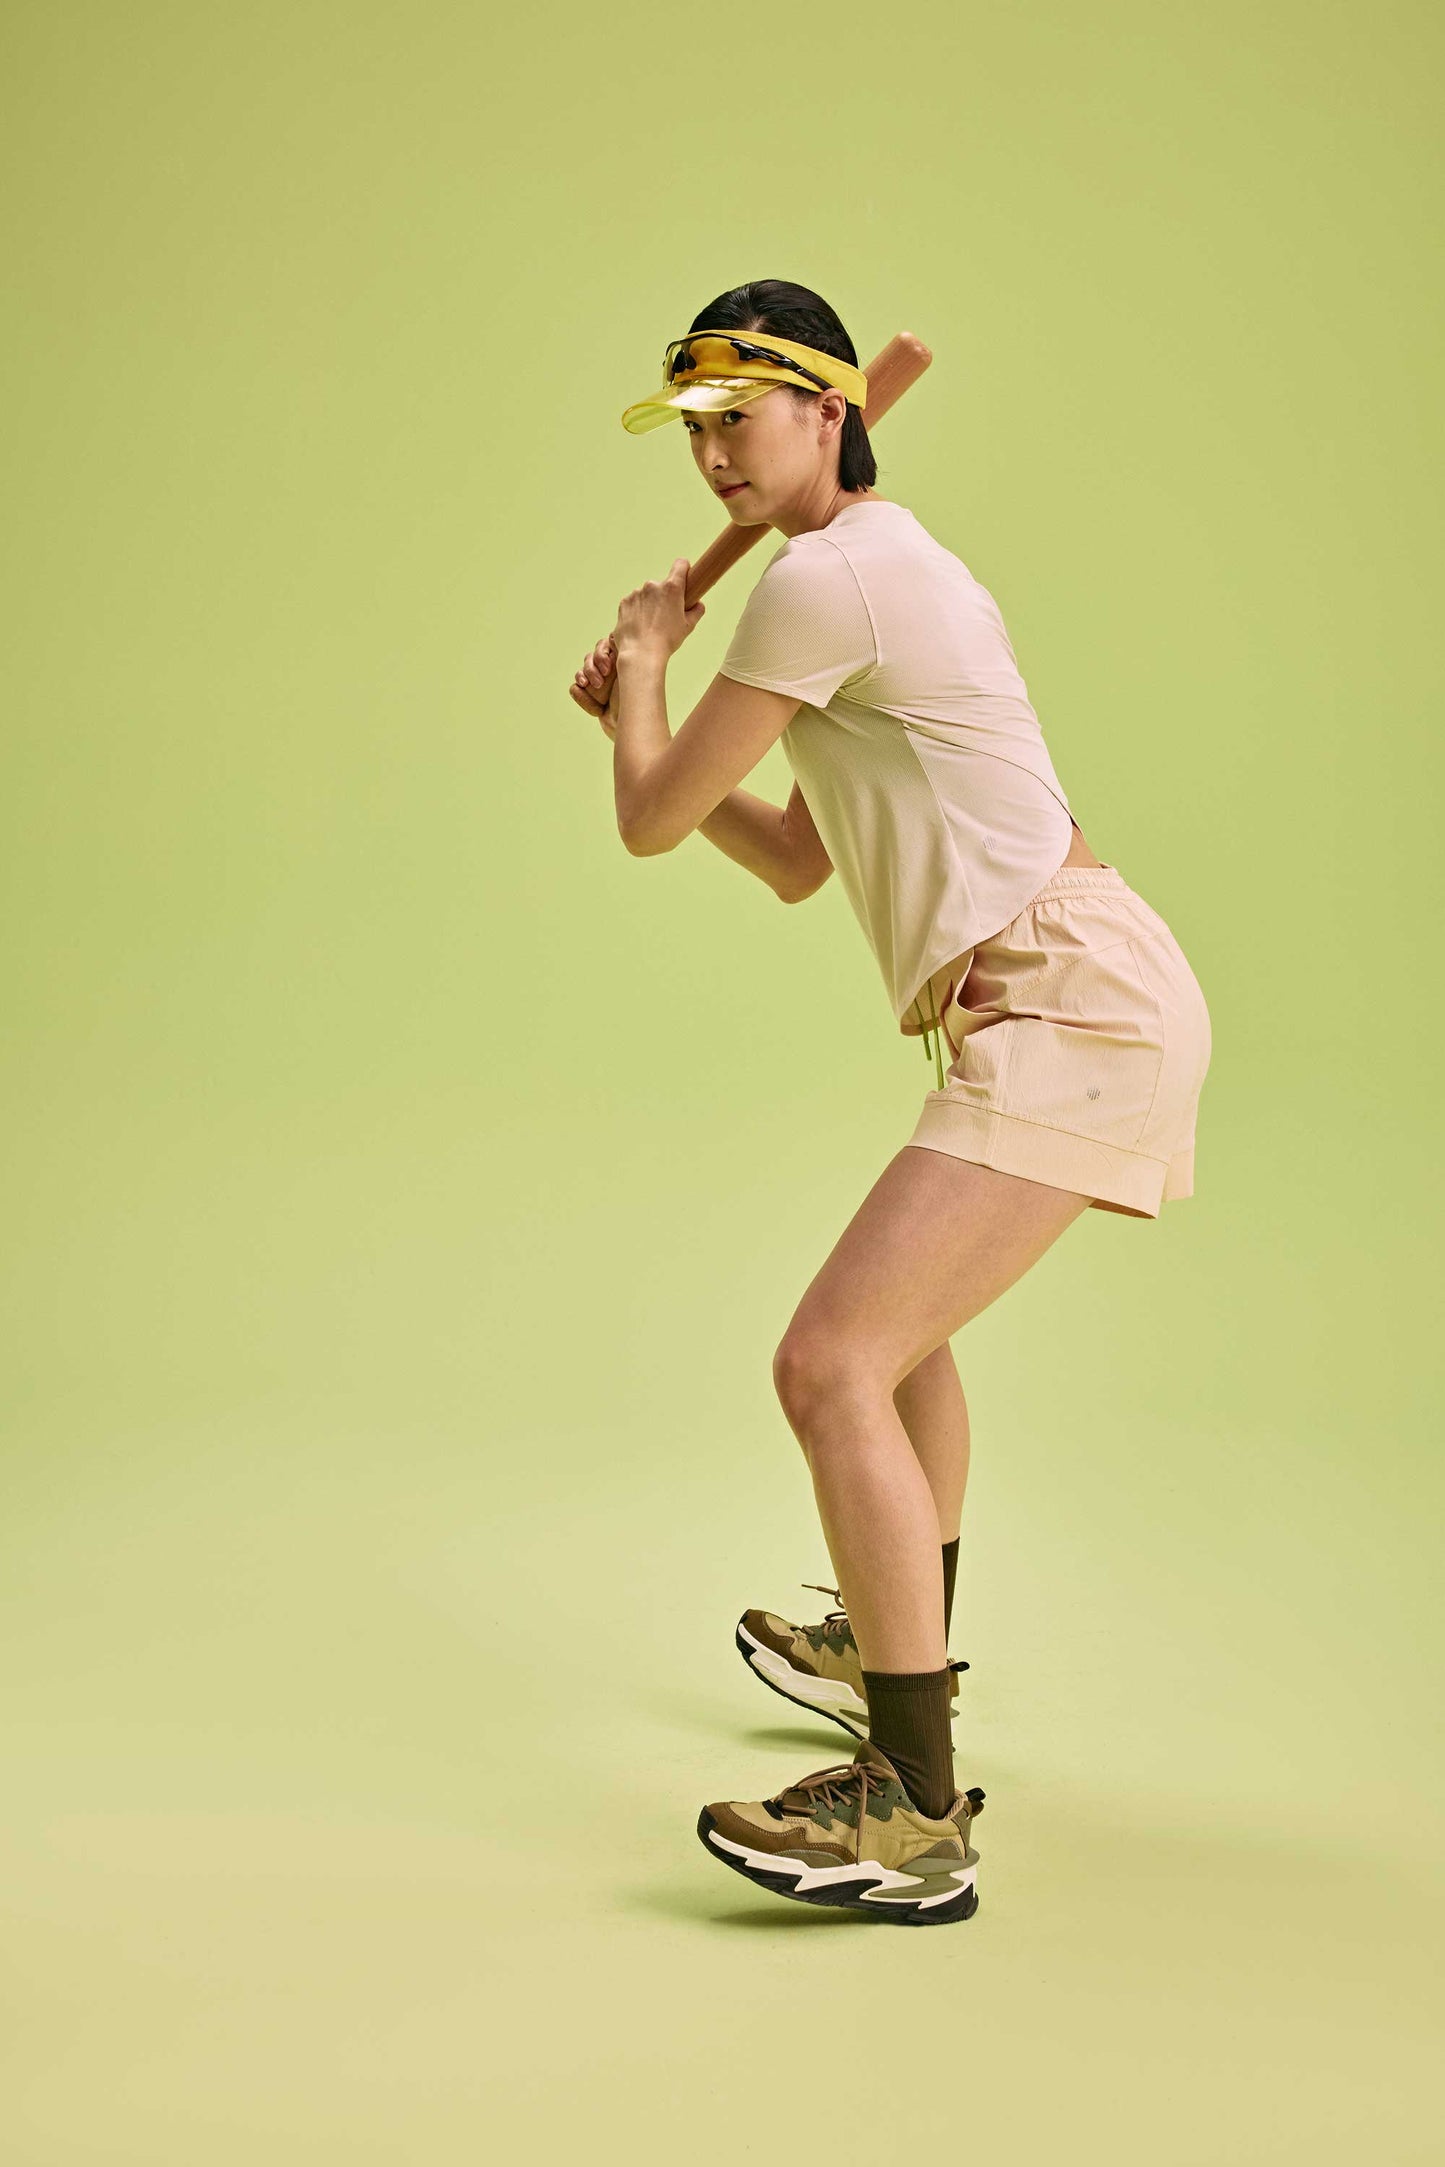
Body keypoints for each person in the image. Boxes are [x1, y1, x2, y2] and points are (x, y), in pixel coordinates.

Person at [571, 279, 1213, 1926]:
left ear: (825, 407)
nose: (714, 452)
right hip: (1059, 999)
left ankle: (914, 1814)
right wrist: (652, 725)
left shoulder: (826, 581)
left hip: (1074, 1007)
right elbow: (789, 857)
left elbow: (646, 819)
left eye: (740, 414)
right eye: (693, 427)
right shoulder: (866, 572)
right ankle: (892, 1634)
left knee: (828, 1361)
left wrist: (645, 673)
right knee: (900, 1345)